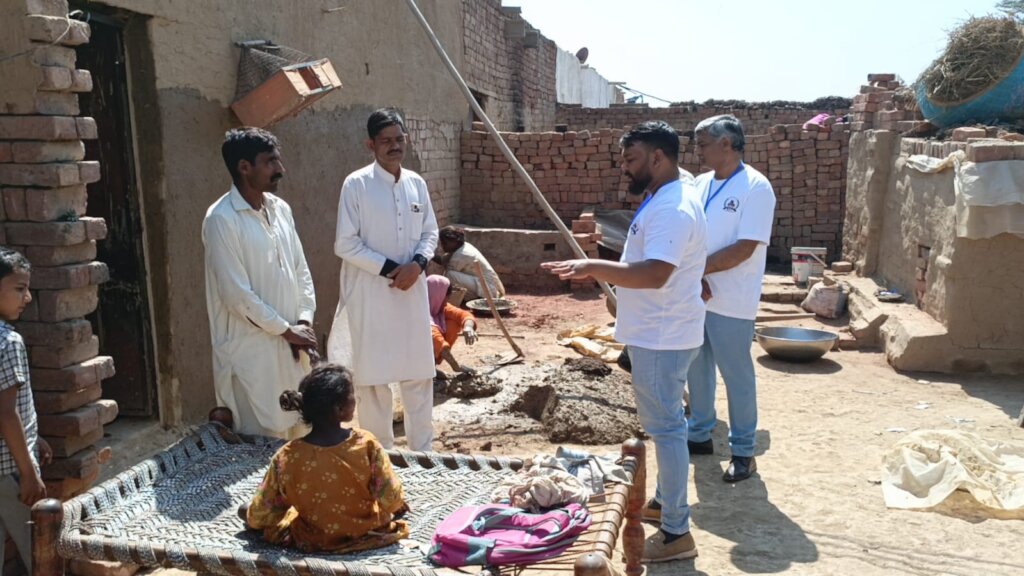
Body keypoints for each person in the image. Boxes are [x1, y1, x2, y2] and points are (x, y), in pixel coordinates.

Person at [542, 121, 707, 563]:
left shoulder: (673, 207)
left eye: (631, 159)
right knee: (667, 425)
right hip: (661, 329)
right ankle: (664, 503)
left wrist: (593, 266)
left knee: (667, 430)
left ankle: (676, 532)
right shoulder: (671, 194)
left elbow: (655, 274)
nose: (623, 168)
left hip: (662, 333)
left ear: (658, 158)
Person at [330, 108, 439, 452]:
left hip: (411, 292)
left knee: (418, 375)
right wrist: (394, 268)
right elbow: (345, 243)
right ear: (371, 144)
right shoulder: (356, 184)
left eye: (399, 139)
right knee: (374, 381)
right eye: (386, 141)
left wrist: (419, 263)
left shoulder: (416, 184)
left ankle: (424, 455)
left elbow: (430, 232)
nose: (395, 146)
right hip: (372, 293)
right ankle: (382, 458)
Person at [203, 127, 317, 439]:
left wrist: (303, 321)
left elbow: (301, 271)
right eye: (270, 162)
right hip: (251, 354)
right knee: (258, 452)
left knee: (300, 440)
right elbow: (236, 296)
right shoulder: (221, 219)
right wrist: (285, 330)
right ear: (244, 167)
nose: (281, 169)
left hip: (292, 349)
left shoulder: (281, 210)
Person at [687, 114, 777, 483]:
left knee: (736, 374)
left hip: (731, 298)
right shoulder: (700, 183)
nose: (697, 151)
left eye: (703, 143)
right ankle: (700, 433)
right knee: (696, 367)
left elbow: (745, 247)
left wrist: (698, 271)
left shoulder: (756, 187)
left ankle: (743, 451)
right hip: (696, 293)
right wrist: (692, 275)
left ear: (726, 144)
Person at [243, 364, 409, 553]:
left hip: (314, 539)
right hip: (367, 531)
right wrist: (398, 505)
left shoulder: (287, 456)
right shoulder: (366, 444)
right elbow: (391, 498)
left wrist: (251, 516)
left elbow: (261, 514)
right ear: (339, 408)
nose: (356, 399)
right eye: (352, 394)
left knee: (246, 510)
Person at [0, 248, 53, 574]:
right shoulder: (8, 342)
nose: (28, 298)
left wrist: (36, 438)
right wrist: (29, 473)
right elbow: (6, 413)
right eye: (19, 289)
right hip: (11, 472)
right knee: (41, 555)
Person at [433, 226, 505, 300]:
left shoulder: (461, 255)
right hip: (489, 287)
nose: (442, 246)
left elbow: (447, 274)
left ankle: (473, 298)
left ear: (454, 241)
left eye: (445, 243)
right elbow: (443, 260)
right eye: (442, 243)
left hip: (489, 290)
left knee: (450, 275)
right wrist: (428, 254)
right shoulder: (463, 246)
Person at [426, 275, 478, 377]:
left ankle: (431, 367)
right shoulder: (419, 314)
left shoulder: (440, 307)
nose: (446, 301)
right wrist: (456, 366)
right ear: (438, 296)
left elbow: (462, 315)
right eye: (446, 297)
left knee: (453, 322)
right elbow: (437, 341)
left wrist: (468, 327)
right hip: (406, 359)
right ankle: (425, 370)